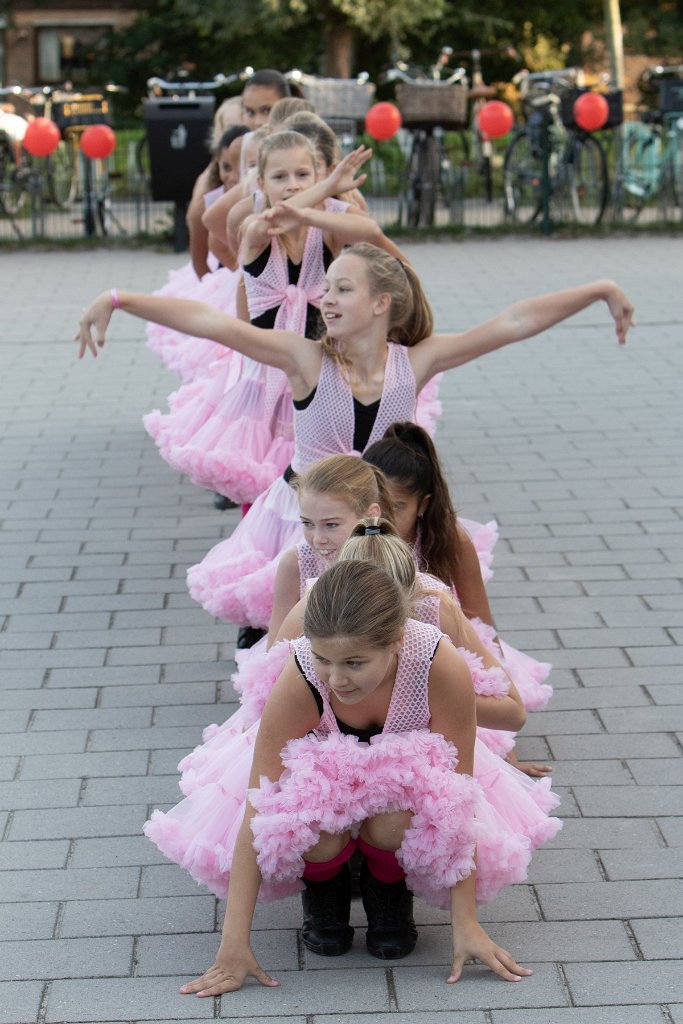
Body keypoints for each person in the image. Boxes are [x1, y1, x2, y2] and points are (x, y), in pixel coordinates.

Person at [77, 242, 633, 635]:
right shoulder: (305, 358)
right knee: (303, 641)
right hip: (309, 521)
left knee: (389, 631)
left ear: (381, 303)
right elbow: (212, 322)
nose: (326, 299)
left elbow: (513, 322)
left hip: (383, 523)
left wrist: (600, 288)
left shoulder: (416, 362)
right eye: (325, 288)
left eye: (343, 288)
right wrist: (119, 298)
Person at [146, 560, 546, 996]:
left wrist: (466, 922)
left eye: (354, 662)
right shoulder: (302, 677)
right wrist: (233, 945)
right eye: (323, 658)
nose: (336, 679)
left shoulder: (437, 661)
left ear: (395, 642)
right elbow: (257, 807)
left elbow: (457, 799)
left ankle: (386, 887)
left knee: (401, 818)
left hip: (405, 788)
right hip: (322, 785)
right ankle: (324, 886)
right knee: (305, 827)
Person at [363, 422, 555, 773]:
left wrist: (502, 750)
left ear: (423, 505)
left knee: (460, 722)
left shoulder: (450, 539)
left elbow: (480, 623)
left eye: (398, 506)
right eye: (375, 505)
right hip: (370, 651)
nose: (384, 518)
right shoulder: (357, 536)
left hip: (445, 650)